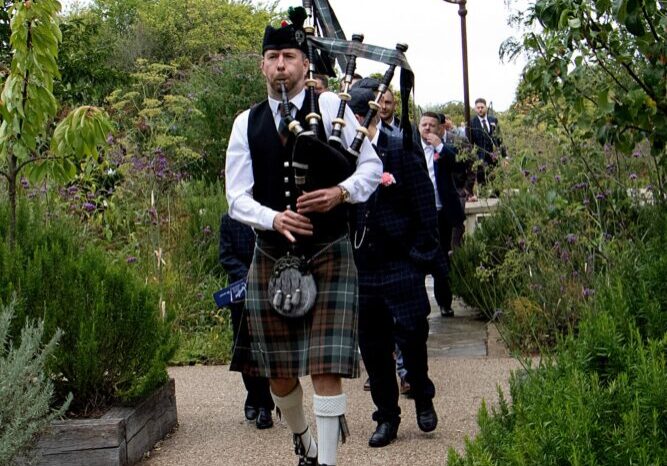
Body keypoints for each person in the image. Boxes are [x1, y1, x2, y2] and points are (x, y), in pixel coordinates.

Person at [225, 12, 381, 466]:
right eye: (272, 57)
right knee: (277, 375)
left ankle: (327, 462)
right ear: (262, 66)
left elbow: (369, 166)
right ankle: (304, 441)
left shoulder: (333, 108)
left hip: (329, 251)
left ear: (304, 63)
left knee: (326, 368)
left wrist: (340, 192)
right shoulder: (245, 124)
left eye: (288, 56)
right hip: (273, 256)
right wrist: (274, 219)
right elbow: (236, 197)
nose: (280, 66)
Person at [348, 87, 444, 448]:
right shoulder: (346, 156)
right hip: (364, 268)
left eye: (355, 117)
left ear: (366, 117)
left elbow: (424, 207)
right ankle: (386, 416)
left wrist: (419, 259)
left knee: (412, 337)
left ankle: (421, 392)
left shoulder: (401, 149)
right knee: (373, 348)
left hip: (401, 264)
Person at [218, 213, 274, 429]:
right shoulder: (229, 220)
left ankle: (264, 406)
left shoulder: (267, 214)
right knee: (242, 348)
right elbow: (226, 256)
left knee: (265, 349)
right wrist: (247, 276)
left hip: (268, 289)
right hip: (240, 292)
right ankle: (254, 395)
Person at [418, 112, 465, 318]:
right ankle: (419, 305)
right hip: (420, 215)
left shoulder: (445, 150)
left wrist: (439, 146)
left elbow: (460, 164)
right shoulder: (411, 149)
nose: (427, 128)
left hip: (442, 212)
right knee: (418, 260)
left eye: (432, 125)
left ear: (440, 129)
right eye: (424, 124)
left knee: (443, 259)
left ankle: (444, 303)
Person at [469, 97, 504, 185]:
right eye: (478, 108)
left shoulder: (493, 120)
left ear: (486, 107)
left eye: (482, 107)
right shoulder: (472, 123)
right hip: (480, 158)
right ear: (475, 109)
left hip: (494, 157)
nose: (480, 110)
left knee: (497, 181)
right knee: (483, 183)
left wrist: (504, 156)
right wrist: (473, 159)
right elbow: (470, 143)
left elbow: (499, 139)